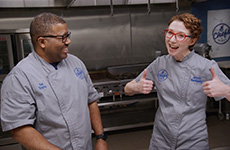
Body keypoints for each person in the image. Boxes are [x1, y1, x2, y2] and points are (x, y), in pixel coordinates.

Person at [0, 12, 108, 150]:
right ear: (42, 42)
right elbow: (19, 130)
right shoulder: (19, 77)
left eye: (68, 36)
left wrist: (100, 137)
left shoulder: (76, 63)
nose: (68, 41)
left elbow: (91, 100)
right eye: (62, 37)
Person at [124, 13, 230, 150]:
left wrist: (226, 90)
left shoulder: (206, 67)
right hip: (161, 139)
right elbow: (127, 89)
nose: (172, 40)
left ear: (192, 41)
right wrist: (136, 87)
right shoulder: (159, 64)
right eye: (169, 33)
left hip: (193, 140)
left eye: (180, 35)